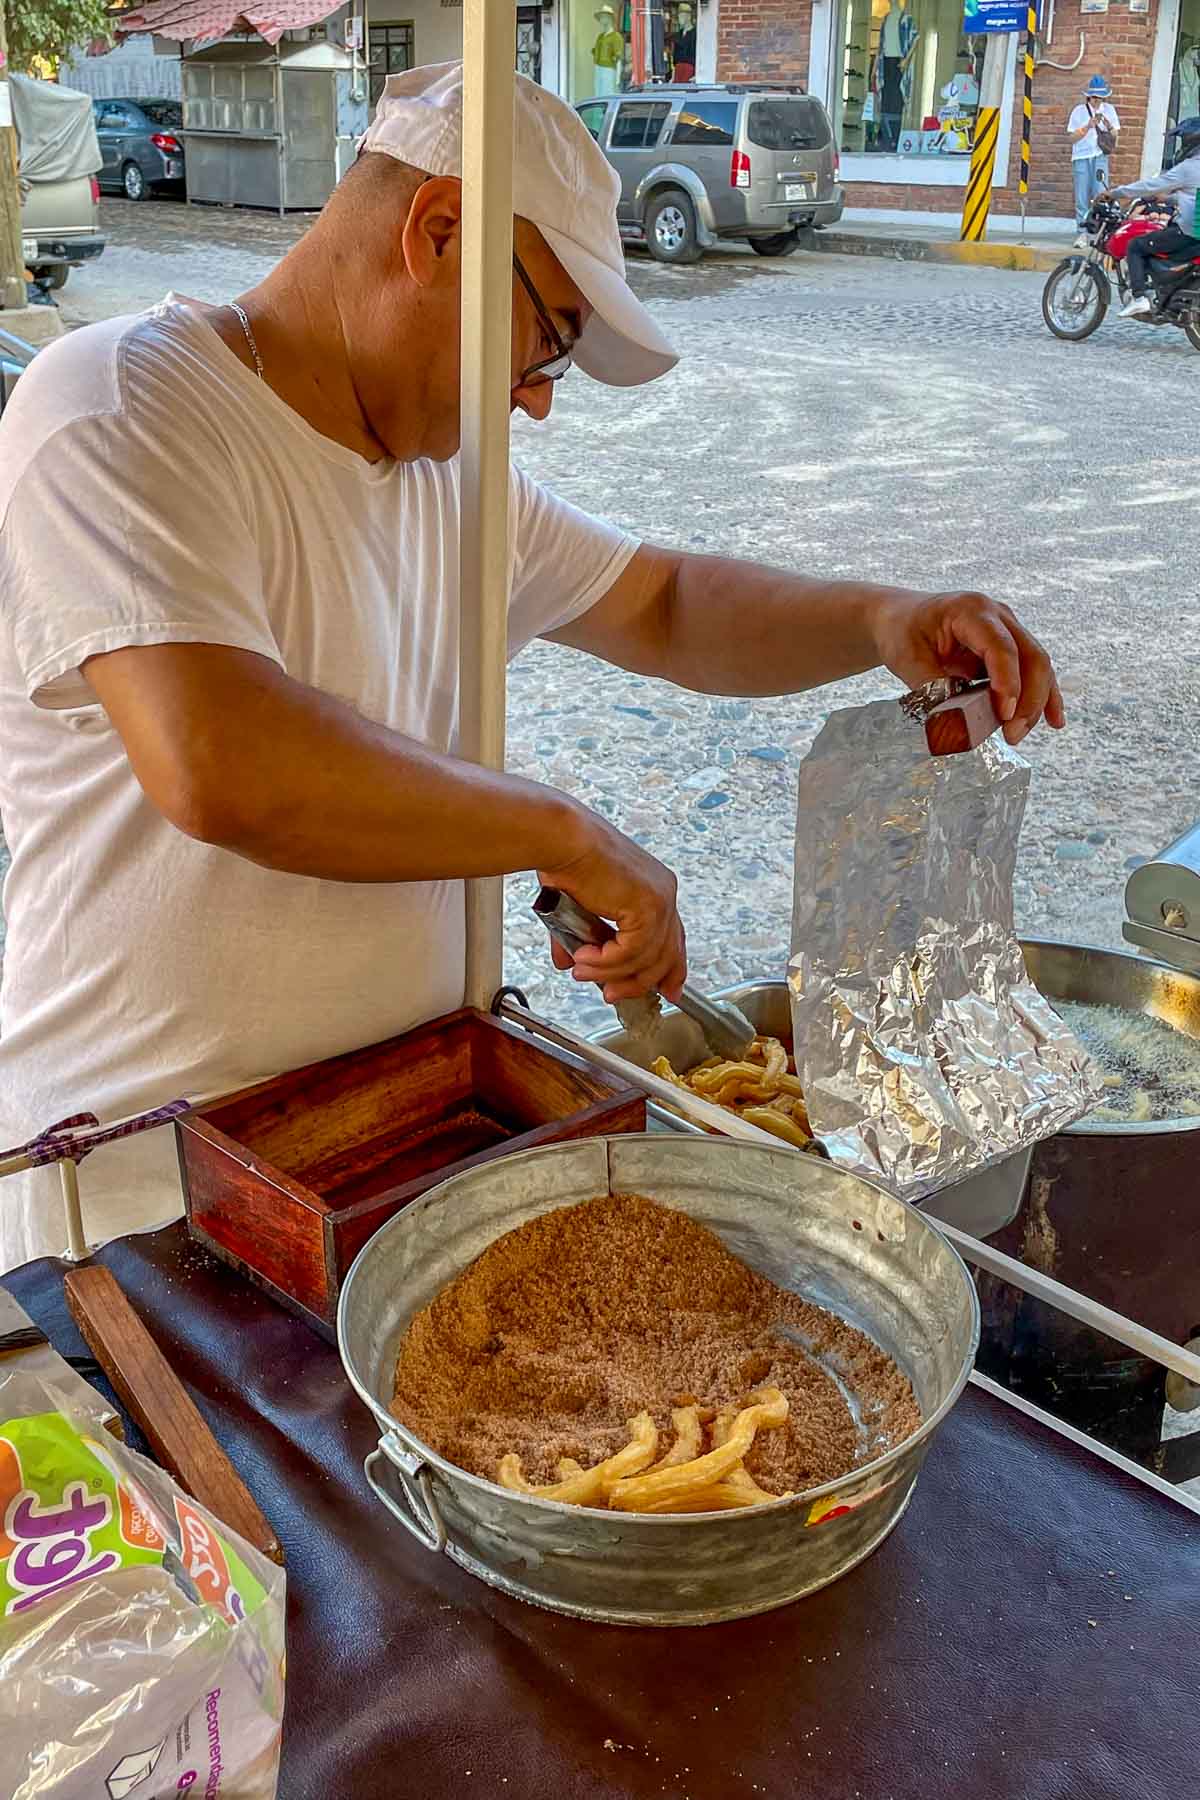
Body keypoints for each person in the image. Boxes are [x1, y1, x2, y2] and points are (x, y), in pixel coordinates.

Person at [0, 63, 1063, 1270]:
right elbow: (225, 763)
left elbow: (663, 603)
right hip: (147, 1202)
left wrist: (880, 615)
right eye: (549, 340)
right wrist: (560, 831)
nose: (539, 400)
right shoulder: (123, 406)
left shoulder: (457, 484)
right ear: (439, 231)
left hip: (402, 1152)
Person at [1106, 116, 1200, 317]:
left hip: (1189, 233)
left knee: (1136, 246)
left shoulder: (1188, 167)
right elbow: (1193, 196)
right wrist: (1171, 200)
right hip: (1195, 233)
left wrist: (1115, 193)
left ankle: (1139, 297)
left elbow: (1150, 186)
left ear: (1191, 141)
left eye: (1183, 140)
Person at [1068, 74, 1120, 227]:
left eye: (1100, 97)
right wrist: (1088, 126)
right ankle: (1082, 231)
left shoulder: (1109, 110)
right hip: (1081, 157)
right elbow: (1071, 138)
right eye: (1094, 97)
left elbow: (1115, 134)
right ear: (1089, 96)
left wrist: (1108, 124)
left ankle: (1097, 230)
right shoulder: (1079, 111)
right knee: (1081, 196)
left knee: (1101, 194)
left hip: (1100, 156)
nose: (1097, 100)